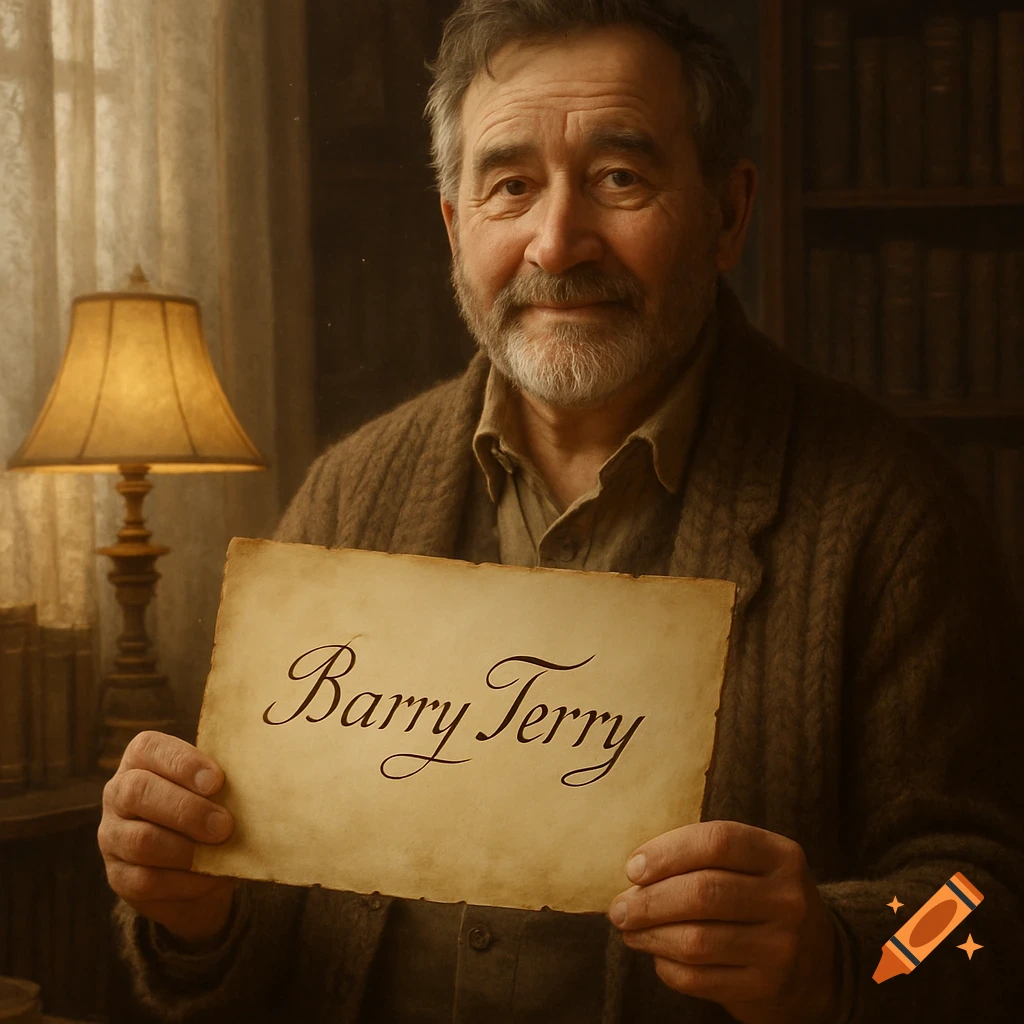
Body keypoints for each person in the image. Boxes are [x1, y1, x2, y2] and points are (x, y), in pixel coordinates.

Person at [99, 2, 1024, 1021]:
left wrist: (838, 955)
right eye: (510, 186)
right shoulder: (344, 497)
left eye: (620, 178)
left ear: (727, 213)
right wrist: (193, 912)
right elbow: (249, 957)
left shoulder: (891, 515)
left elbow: (979, 906)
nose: (558, 241)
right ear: (456, 227)